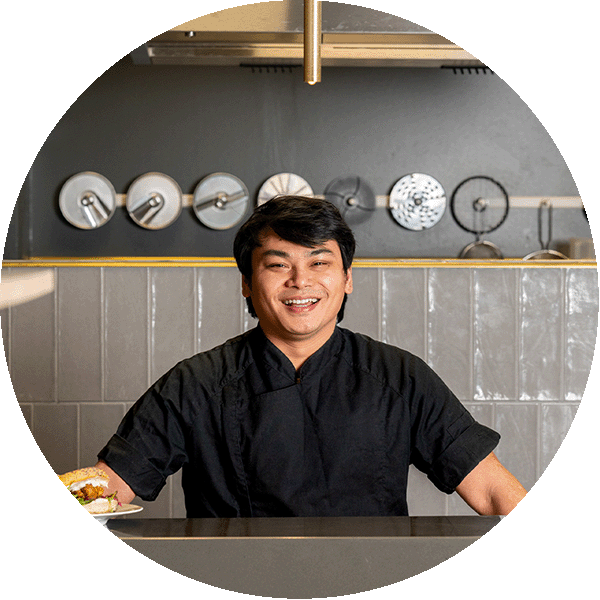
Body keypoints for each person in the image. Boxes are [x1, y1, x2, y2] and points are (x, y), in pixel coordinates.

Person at [96, 196, 526, 517]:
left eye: (320, 263)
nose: (301, 282)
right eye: (278, 265)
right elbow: (110, 487)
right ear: (246, 283)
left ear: (347, 279)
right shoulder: (196, 383)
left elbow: (491, 491)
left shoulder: (398, 377)